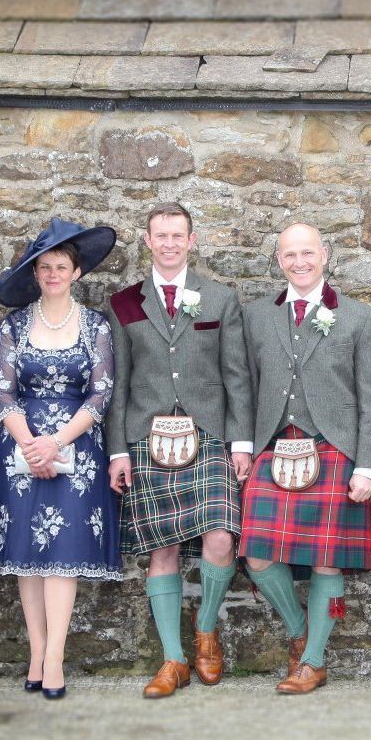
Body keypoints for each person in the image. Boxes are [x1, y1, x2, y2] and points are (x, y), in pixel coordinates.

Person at [105, 202, 252, 699]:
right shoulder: (125, 302)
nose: (169, 244)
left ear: (192, 240)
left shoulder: (220, 298)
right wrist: (118, 451)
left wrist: (241, 442)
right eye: (160, 235)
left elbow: (237, 376)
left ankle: (206, 630)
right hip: (147, 438)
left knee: (221, 537)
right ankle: (173, 660)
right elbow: (118, 384)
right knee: (161, 548)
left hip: (208, 434)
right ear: (147, 241)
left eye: (177, 235)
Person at [237, 223, 371, 695]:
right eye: (289, 255)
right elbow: (243, 386)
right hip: (273, 446)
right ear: (278, 260)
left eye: (307, 253)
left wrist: (366, 467)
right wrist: (243, 445)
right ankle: (300, 629)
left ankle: (313, 661)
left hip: (334, 448)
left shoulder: (359, 317)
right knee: (257, 553)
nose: (299, 262)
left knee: (327, 560)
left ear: (324, 254)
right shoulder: (256, 316)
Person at [0, 219, 121, 700]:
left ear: (76, 272)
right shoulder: (15, 325)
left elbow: (101, 392)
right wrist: (30, 444)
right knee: (27, 554)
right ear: (35, 273)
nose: (52, 274)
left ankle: (56, 658)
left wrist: (57, 442)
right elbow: (3, 391)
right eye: (44, 267)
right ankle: (37, 653)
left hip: (76, 447)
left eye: (61, 267)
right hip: (20, 445)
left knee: (62, 554)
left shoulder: (95, 325)